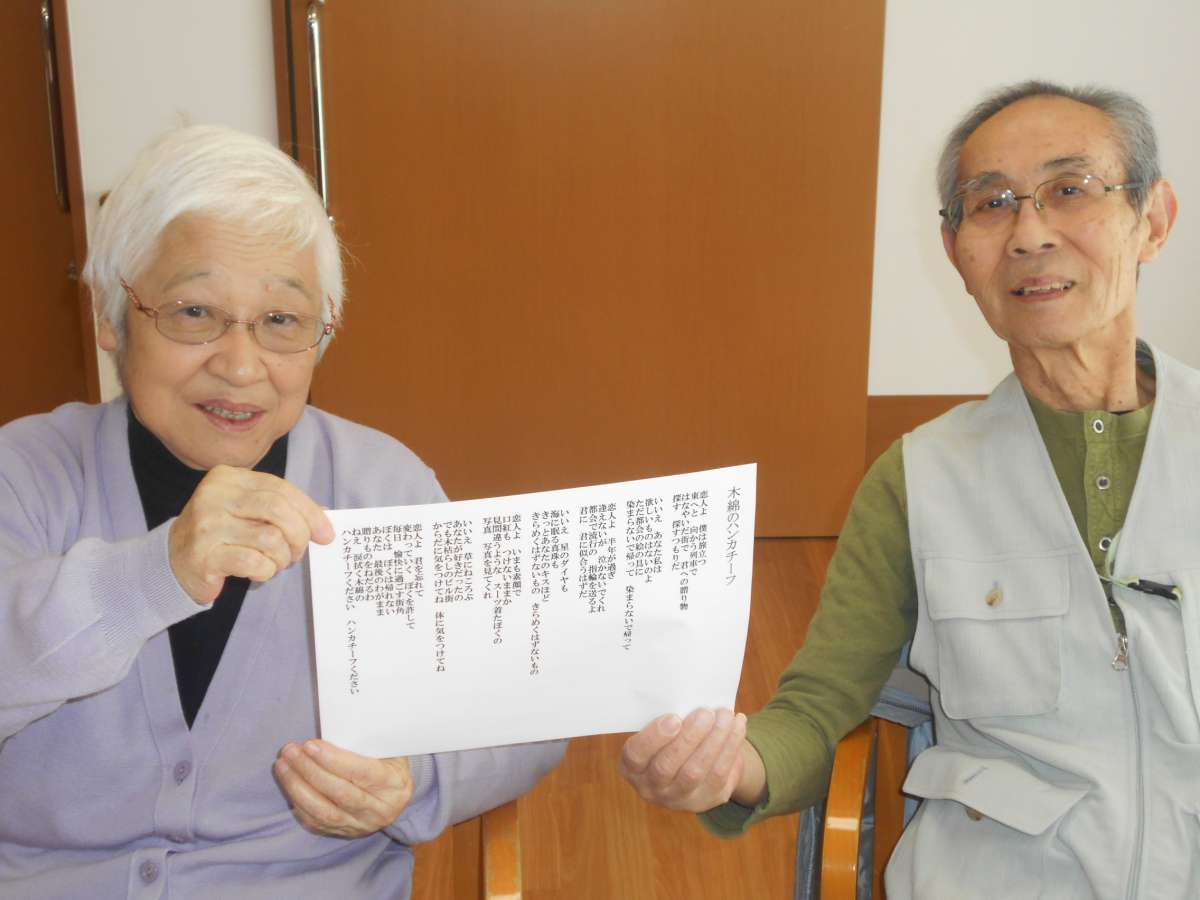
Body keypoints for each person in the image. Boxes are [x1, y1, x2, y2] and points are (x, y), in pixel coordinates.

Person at [620, 80, 1200, 898]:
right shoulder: (921, 477)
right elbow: (817, 711)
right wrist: (724, 768)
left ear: (1154, 220)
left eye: (1070, 190)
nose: (1030, 234)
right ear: (957, 251)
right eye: (992, 204)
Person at [0, 125, 564, 898]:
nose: (240, 366)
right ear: (112, 315)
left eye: (281, 321)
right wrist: (152, 574)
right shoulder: (26, 474)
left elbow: (529, 711)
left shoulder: (380, 488)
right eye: (193, 311)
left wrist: (413, 781)